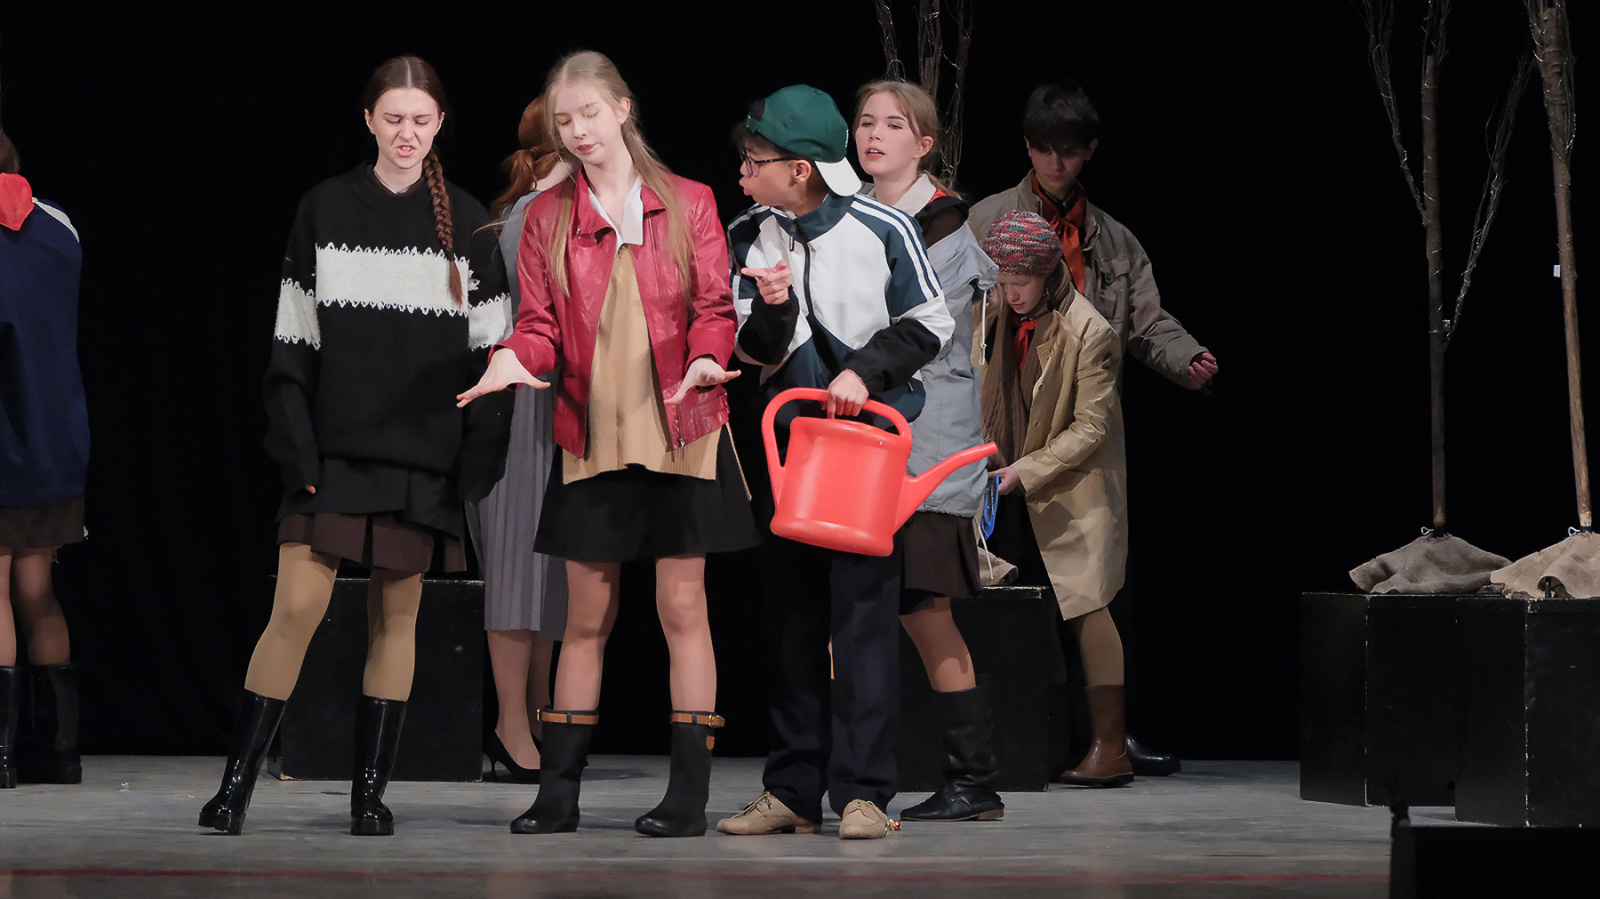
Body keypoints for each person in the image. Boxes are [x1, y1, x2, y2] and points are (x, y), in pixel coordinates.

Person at [199, 56, 512, 836]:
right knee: (296, 607)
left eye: (422, 120)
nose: (407, 133)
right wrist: (297, 454)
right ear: (368, 120)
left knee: (396, 619)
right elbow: (292, 342)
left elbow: (493, 358)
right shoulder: (327, 207)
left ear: (440, 125)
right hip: (333, 456)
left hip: (424, 463)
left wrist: (472, 467)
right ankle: (234, 788)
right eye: (393, 118)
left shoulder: (469, 221)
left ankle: (369, 795)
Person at [458, 50, 756, 839]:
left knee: (682, 606)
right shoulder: (546, 218)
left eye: (589, 112)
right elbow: (539, 327)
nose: (578, 130)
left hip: (682, 429)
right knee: (586, 614)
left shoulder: (689, 201)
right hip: (592, 432)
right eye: (564, 120)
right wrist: (513, 358)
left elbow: (715, 306)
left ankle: (687, 796)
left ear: (623, 108)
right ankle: (557, 793)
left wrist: (707, 353)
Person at [716, 85, 954, 840]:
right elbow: (749, 349)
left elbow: (931, 322)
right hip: (788, 451)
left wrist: (864, 371)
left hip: (863, 453)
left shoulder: (883, 227)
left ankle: (865, 793)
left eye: (754, 161)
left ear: (800, 169)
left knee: (861, 625)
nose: (742, 174)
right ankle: (791, 788)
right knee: (790, 622)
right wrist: (774, 306)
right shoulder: (748, 233)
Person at [968, 83, 1215, 778]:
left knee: (1090, 592)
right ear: (1028, 148)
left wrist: (1184, 356)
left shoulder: (1110, 242)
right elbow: (959, 317)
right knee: (1027, 595)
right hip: (1007, 426)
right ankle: (1046, 737)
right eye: (1046, 150)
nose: (1057, 163)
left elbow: (1145, 323)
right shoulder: (989, 220)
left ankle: (1108, 738)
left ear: (1089, 153)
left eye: (1070, 152)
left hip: (1074, 427)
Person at [851, 80, 1002, 822]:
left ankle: (973, 778)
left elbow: (915, 333)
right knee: (858, 609)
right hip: (866, 440)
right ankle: (845, 773)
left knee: (923, 608)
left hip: (926, 446)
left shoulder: (941, 224)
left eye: (893, 125)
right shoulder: (853, 211)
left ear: (925, 143)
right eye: (865, 123)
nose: (874, 135)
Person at [976, 211, 1132, 787]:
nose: (1011, 292)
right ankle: (1050, 742)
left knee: (1085, 607)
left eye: (1021, 281)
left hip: (1071, 488)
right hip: (1005, 481)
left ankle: (1110, 747)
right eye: (1003, 280)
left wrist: (1025, 470)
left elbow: (1091, 427)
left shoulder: (1090, 331)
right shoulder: (991, 315)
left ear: (1048, 274)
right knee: (1034, 609)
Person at [469, 96, 573, 784]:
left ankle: (534, 712)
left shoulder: (567, 205)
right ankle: (510, 723)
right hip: (520, 403)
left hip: (561, 399)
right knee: (517, 567)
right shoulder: (532, 212)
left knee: (553, 570)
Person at [0, 130, 87, 789]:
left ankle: (2, 756)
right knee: (36, 590)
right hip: (57, 438)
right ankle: (59, 754)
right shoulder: (59, 228)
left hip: (5, 437)